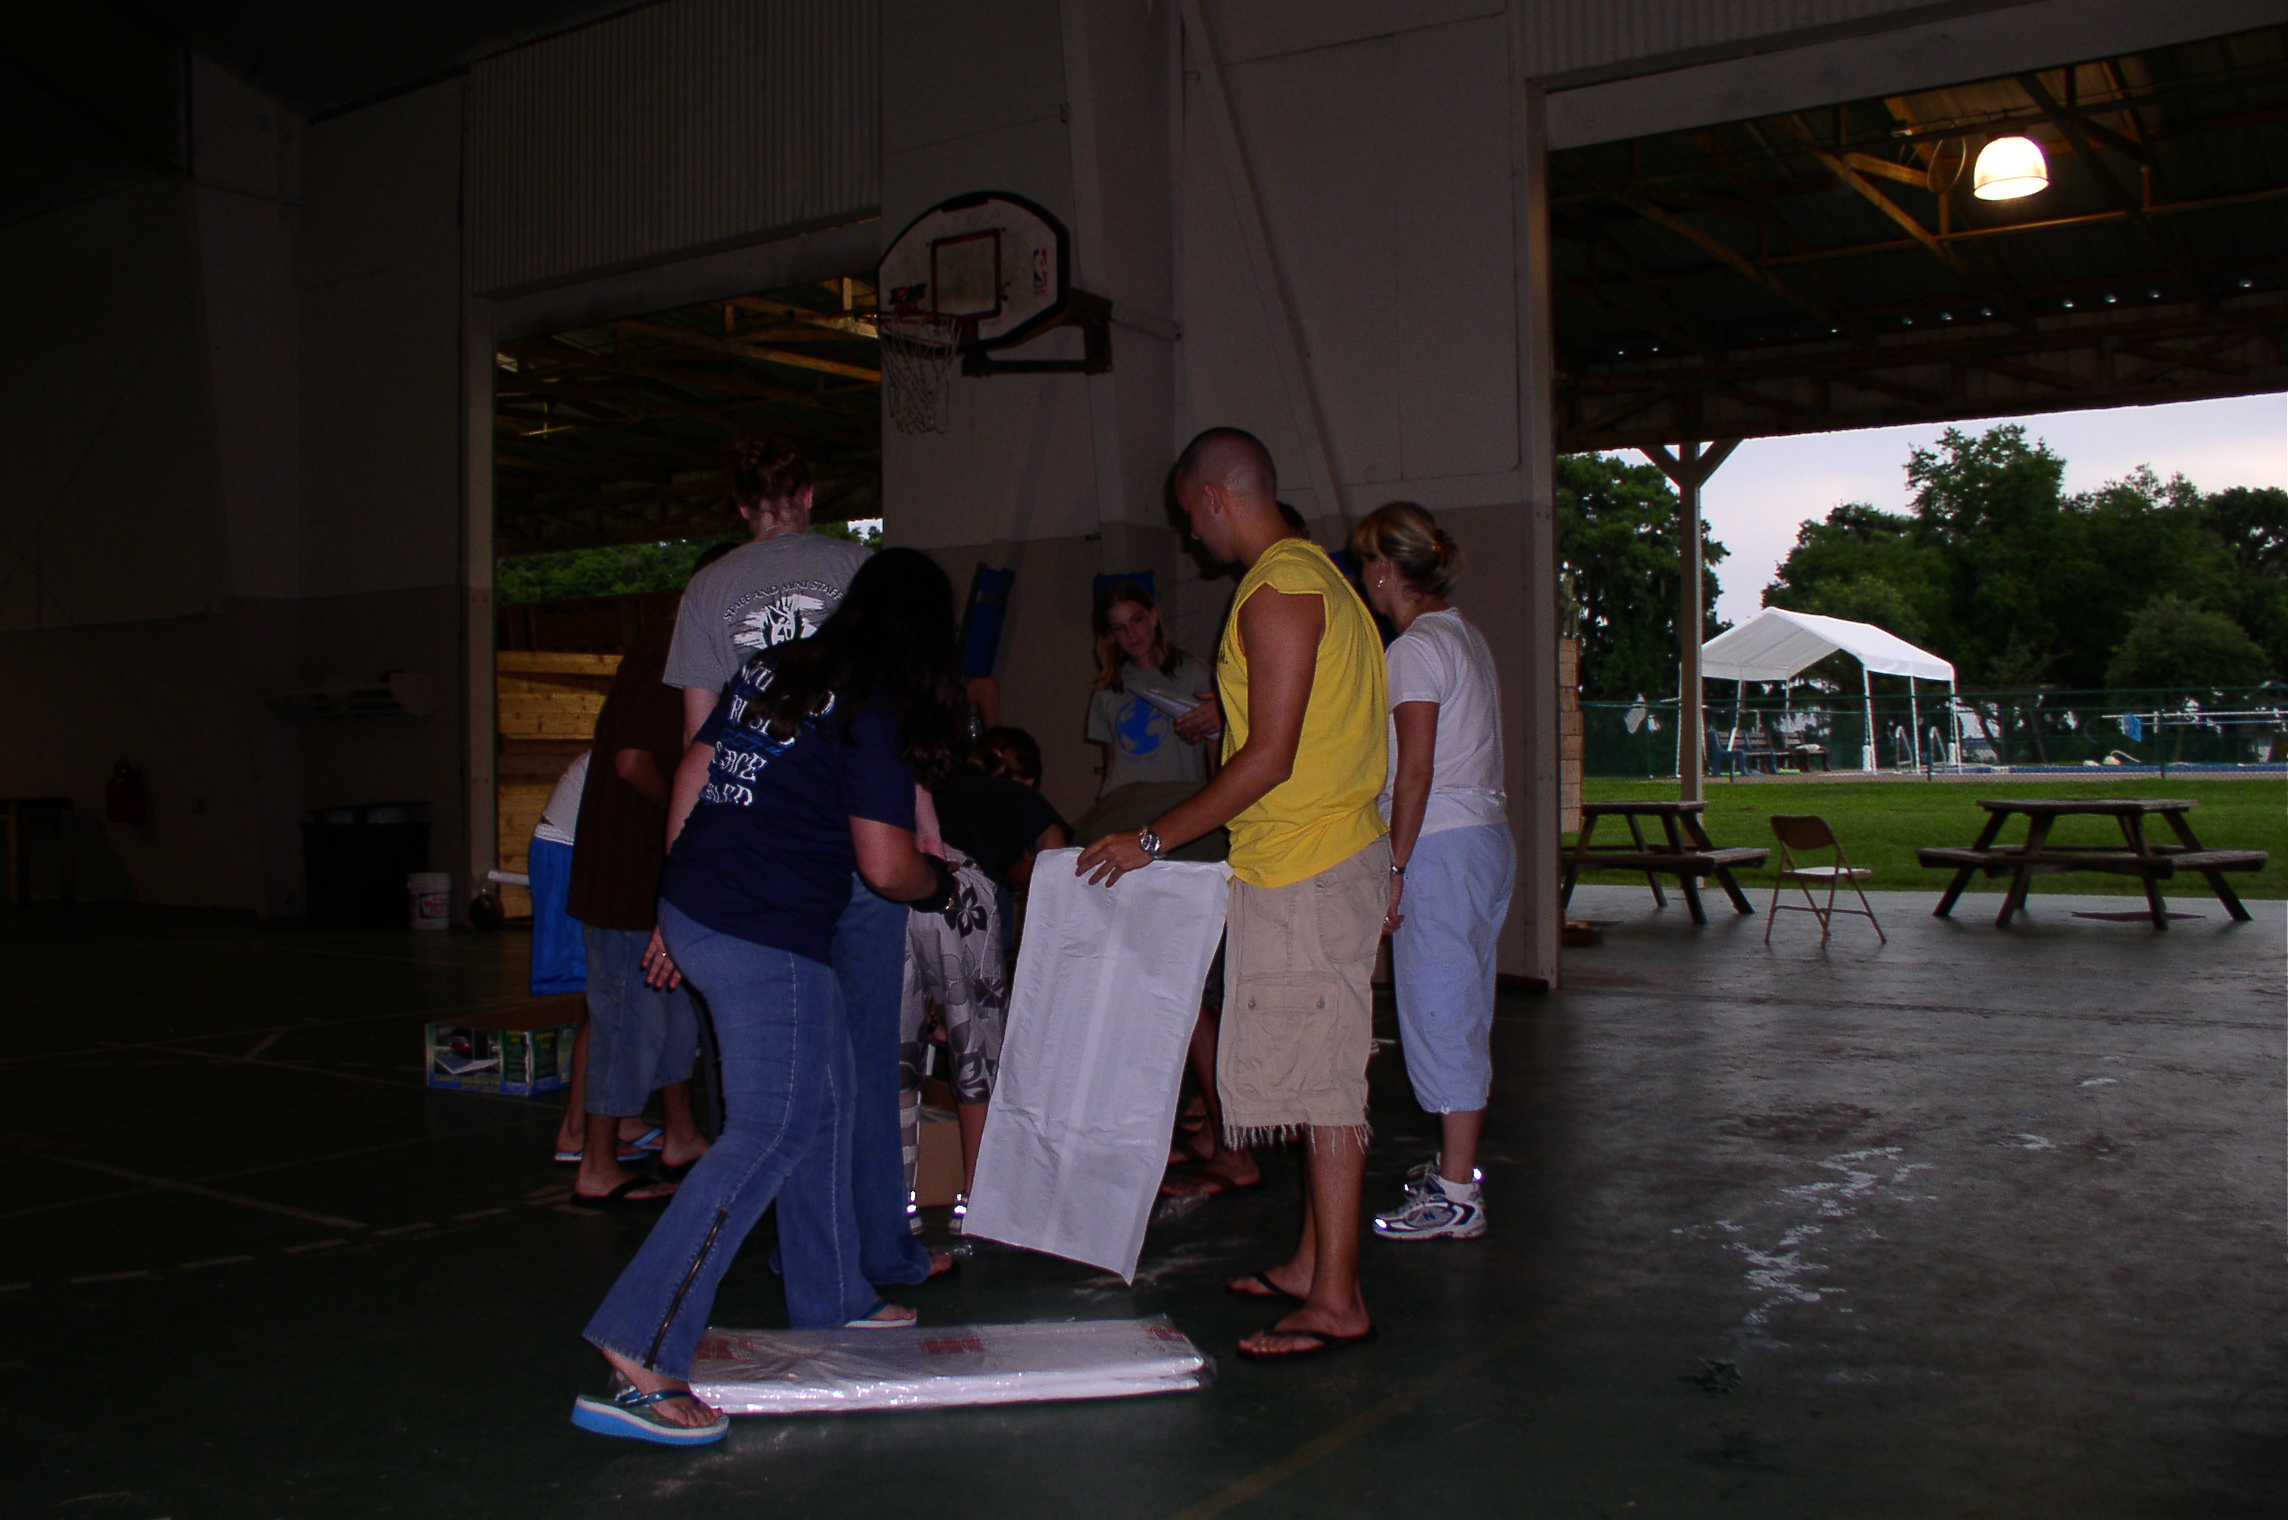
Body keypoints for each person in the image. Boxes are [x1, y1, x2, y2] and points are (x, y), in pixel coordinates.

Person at [574, 549, 969, 1446]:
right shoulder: (875, 706)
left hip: (701, 898)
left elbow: (694, 772)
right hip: (766, 931)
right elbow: (885, 867)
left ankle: (833, 1298)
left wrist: (674, 905)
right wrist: (941, 886)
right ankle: (640, 1344)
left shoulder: (777, 669)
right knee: (770, 1129)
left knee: (823, 1101)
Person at [1078, 427, 1391, 1362]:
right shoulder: (1315, 578)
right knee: (1315, 1072)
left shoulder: (1277, 589)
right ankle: (1313, 1266)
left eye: (1190, 514)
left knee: (1326, 1092)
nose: (1191, 533)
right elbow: (1290, 724)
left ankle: (1337, 1299)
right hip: (1317, 856)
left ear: (1216, 496)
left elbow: (1270, 759)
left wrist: (1150, 840)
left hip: (1309, 863)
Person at [662, 431, 932, 1293]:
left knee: (796, 1072)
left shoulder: (709, 589)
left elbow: (703, 747)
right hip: (861, 837)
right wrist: (920, 821)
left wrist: (683, 890)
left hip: (765, 848)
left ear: (742, 505)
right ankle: (878, 1252)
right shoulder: (864, 570)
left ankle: (817, 1256)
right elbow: (897, 720)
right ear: (810, 495)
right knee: (864, 1058)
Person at [1350, 503, 1514, 1240]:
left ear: (1386, 569)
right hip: (1479, 843)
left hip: (1440, 848)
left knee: (1441, 1014)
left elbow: (1414, 771)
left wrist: (1395, 864)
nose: (1364, 576)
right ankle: (1456, 1168)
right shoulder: (1463, 635)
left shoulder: (1414, 649)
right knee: (1461, 1008)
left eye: (1365, 562)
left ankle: (1455, 1197)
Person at [560, 544, 735, 1207]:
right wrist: (689, 819)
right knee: (627, 1019)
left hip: (658, 871)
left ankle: (681, 1135)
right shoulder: (672, 651)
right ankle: (597, 1163)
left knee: (672, 1011)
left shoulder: (682, 647)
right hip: (628, 871)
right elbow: (634, 763)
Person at [1084, 579, 1217, 797]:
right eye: (1119, 628)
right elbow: (1112, 762)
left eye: (1136, 620)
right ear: (1112, 634)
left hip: (1178, 801)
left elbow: (1217, 754)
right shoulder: (1108, 688)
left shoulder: (1195, 675)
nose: (1131, 634)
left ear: (1153, 616)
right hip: (1125, 802)